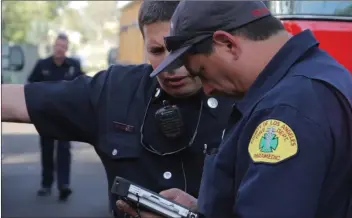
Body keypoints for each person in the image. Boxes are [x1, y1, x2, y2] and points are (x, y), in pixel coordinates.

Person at [1, 1, 234, 217]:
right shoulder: (115, 90)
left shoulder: (242, 98)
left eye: (181, 49)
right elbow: (19, 100)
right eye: (156, 51)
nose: (170, 67)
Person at [124, 1, 352, 218]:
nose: (208, 90)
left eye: (202, 72)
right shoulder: (321, 75)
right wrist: (205, 208)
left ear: (227, 44)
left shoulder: (287, 110)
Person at [27, 33, 84, 201]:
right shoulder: (42, 65)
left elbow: (82, 86)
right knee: (47, 150)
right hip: (45, 115)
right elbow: (31, 85)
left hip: (65, 116)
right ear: (53, 46)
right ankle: (46, 184)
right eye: (57, 45)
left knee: (64, 150)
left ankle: (64, 185)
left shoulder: (73, 65)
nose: (60, 49)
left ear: (66, 48)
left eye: (63, 46)